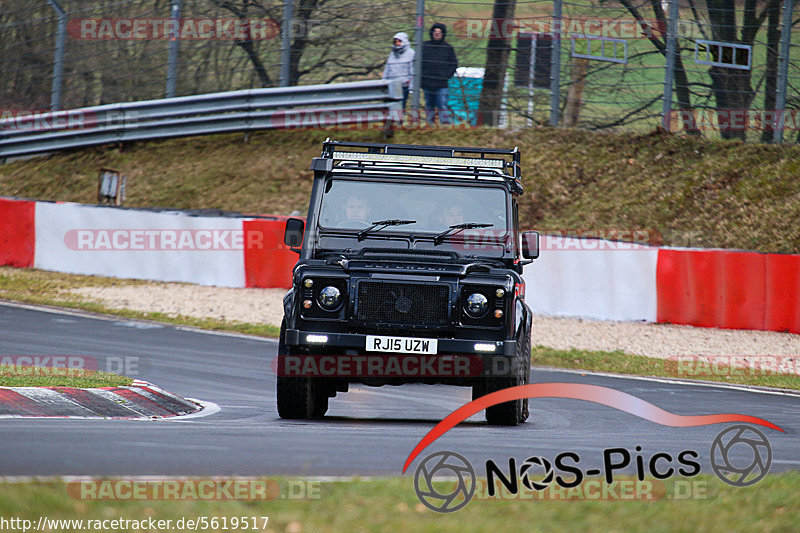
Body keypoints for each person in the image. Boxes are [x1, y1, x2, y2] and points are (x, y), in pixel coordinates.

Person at [421, 22, 458, 125]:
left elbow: (454, 64)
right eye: (435, 32)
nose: (437, 34)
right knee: (429, 105)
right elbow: (417, 63)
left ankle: (445, 125)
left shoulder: (448, 48)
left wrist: (446, 76)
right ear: (431, 33)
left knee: (442, 105)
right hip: (427, 82)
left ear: (443, 34)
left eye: (439, 32)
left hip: (441, 84)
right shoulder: (424, 46)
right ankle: (430, 125)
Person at [382, 32, 415, 114]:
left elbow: (412, 71)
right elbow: (387, 68)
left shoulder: (411, 53)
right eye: (396, 41)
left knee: (400, 106)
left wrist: (411, 87)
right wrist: (383, 81)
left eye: (399, 41)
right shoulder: (392, 53)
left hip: (403, 85)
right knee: (390, 106)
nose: (397, 43)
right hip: (391, 84)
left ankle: (399, 123)